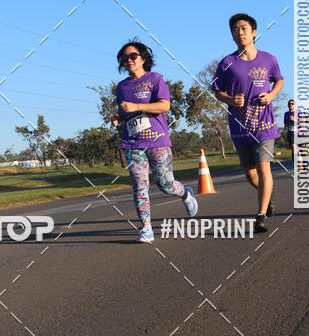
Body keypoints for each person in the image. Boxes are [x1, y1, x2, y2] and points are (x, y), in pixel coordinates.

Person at [112, 40, 198, 243]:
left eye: (133, 56)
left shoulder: (155, 79)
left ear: (143, 58)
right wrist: (118, 117)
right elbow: (126, 111)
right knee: (140, 186)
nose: (129, 60)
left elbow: (164, 105)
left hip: (158, 140)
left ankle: (185, 194)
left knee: (165, 183)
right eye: (125, 58)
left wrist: (135, 106)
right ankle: (147, 228)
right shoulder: (121, 87)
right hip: (133, 143)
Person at [212, 13, 284, 233]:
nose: (239, 32)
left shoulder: (268, 59)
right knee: (250, 173)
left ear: (254, 32)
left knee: (264, 168)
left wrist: (271, 95)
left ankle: (260, 215)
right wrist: (231, 99)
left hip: (264, 125)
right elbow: (216, 91)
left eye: (244, 28)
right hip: (239, 126)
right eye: (235, 29)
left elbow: (279, 80)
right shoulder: (227, 63)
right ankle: (267, 195)